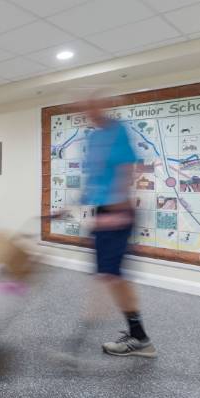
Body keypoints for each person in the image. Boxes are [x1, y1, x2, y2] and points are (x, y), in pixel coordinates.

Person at [80, 101, 156, 358]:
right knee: (113, 277)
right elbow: (94, 179)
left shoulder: (117, 132)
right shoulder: (94, 137)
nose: (88, 112)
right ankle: (138, 334)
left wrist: (117, 214)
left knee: (114, 278)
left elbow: (125, 172)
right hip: (104, 210)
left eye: (91, 105)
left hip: (116, 211)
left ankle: (139, 337)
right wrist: (77, 205)